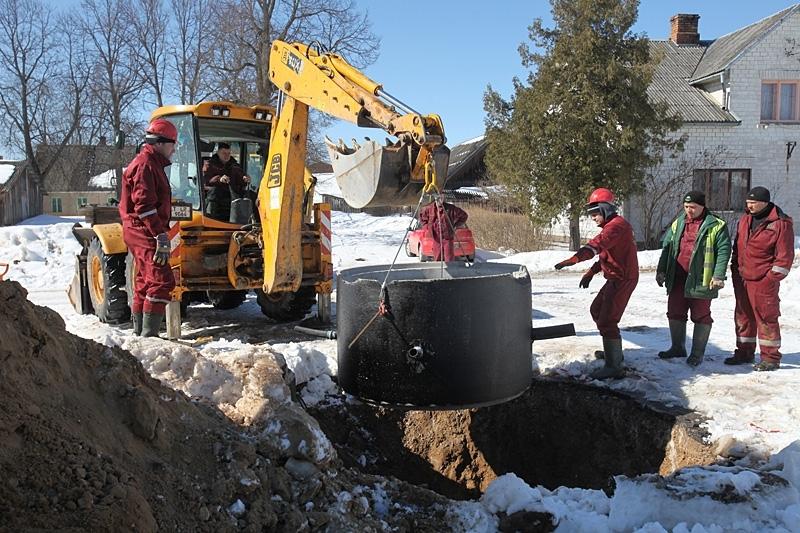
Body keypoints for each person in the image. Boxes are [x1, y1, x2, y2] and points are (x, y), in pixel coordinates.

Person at [554, 188, 639, 379]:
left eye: (595, 213)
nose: (592, 218)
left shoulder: (617, 227)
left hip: (623, 279)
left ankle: (614, 366)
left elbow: (597, 244)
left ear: (606, 209)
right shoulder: (612, 226)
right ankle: (613, 353)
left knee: (607, 320)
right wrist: (591, 272)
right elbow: (606, 255)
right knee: (597, 310)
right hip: (614, 278)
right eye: (590, 214)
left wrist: (575, 258)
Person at [655, 191, 731, 367]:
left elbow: (724, 251)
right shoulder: (678, 223)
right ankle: (677, 347)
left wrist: (718, 275)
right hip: (678, 278)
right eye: (686, 207)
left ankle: (697, 354)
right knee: (675, 312)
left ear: (702, 206)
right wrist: (661, 270)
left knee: (701, 315)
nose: (689, 210)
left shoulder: (717, 225)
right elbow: (667, 248)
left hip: (701, 280)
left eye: (693, 207)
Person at [118, 118, 177, 337]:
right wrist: (160, 235)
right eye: (173, 144)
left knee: (144, 281)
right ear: (160, 143)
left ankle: (141, 335)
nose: (174, 149)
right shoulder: (145, 165)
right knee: (163, 281)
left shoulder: (150, 163)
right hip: (142, 229)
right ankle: (149, 335)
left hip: (141, 229)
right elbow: (144, 205)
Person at [725, 186, 794, 371]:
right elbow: (738, 247)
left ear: (765, 202)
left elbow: (784, 257)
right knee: (743, 316)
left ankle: (770, 358)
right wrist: (734, 268)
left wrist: (771, 278)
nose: (750, 206)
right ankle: (744, 352)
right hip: (742, 278)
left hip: (763, 280)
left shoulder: (780, 223)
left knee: (766, 317)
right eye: (748, 203)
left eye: (753, 203)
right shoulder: (745, 219)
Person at [203, 142, 251, 221]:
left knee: (252, 196)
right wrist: (219, 179)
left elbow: (240, 177)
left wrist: (245, 179)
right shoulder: (209, 165)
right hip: (216, 196)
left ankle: (253, 222)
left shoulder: (234, 165)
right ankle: (211, 220)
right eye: (224, 153)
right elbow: (206, 181)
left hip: (232, 194)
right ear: (218, 153)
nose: (227, 156)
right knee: (214, 192)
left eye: (228, 153)